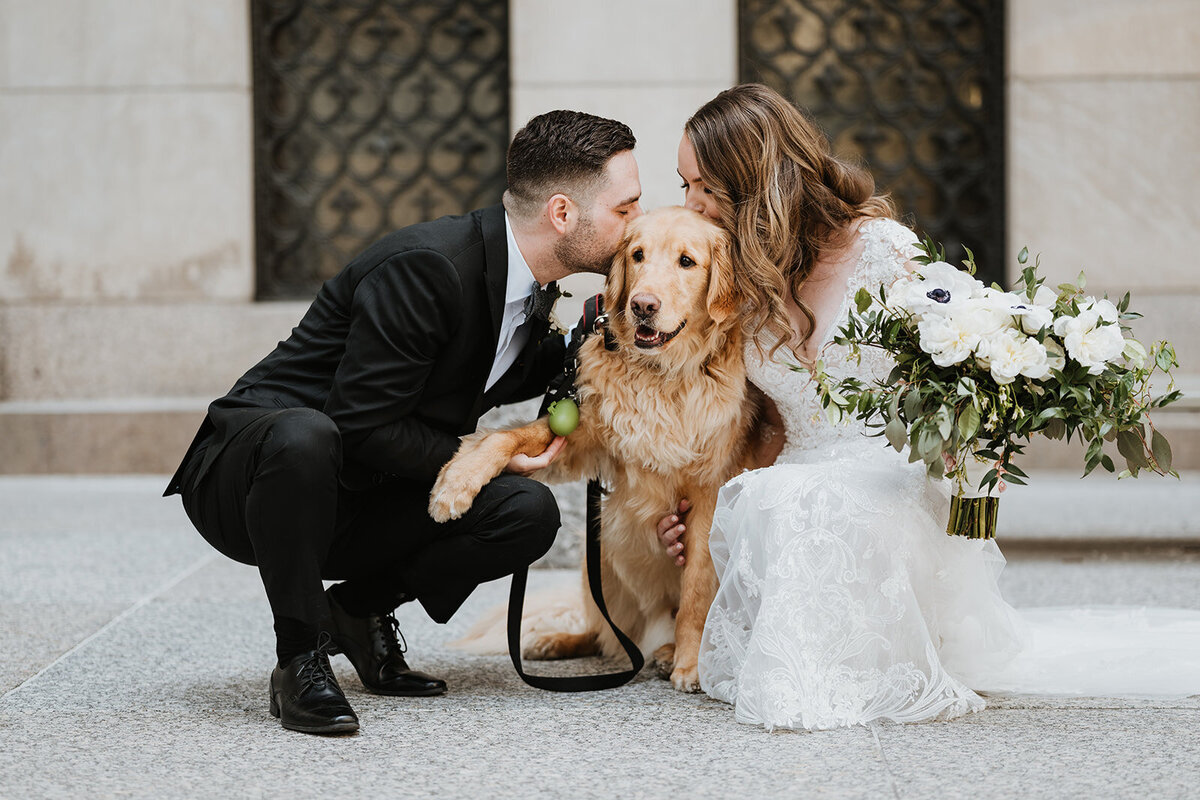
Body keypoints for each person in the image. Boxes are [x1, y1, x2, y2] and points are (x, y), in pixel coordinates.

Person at [658, 84, 1200, 731]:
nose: (689, 203)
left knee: (804, 504)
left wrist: (975, 447)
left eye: (704, 186)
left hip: (889, 471)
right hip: (799, 471)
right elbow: (762, 424)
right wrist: (699, 509)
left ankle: (825, 675)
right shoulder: (734, 278)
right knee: (771, 500)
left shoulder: (880, 248)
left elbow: (965, 351)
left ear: (755, 184)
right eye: (684, 184)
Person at [165, 110, 643, 735]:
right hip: (257, 478)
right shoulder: (430, 266)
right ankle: (299, 660)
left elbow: (515, 372)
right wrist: (481, 453)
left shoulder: (526, 289)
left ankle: (356, 612)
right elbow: (359, 422)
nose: (638, 223)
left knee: (525, 513)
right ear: (562, 213)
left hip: (362, 487)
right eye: (626, 209)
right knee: (306, 434)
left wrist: (599, 342)